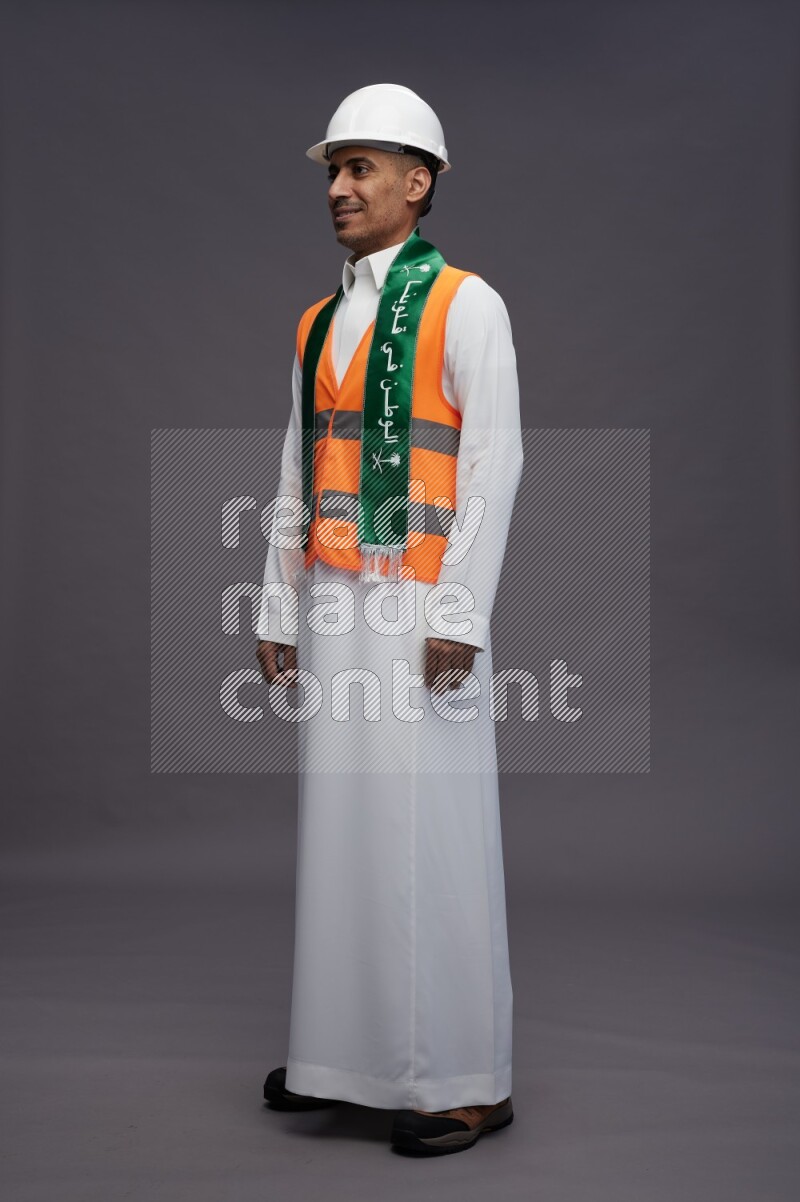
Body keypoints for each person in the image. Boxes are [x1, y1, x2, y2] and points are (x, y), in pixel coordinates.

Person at [256, 82, 523, 1156]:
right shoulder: (318, 317)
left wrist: (458, 608)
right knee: (348, 829)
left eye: (361, 167)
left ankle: (463, 1076)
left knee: (433, 833)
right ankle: (344, 1054)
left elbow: (496, 461)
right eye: (333, 169)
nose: (339, 186)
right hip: (337, 592)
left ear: (419, 183)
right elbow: (292, 461)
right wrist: (277, 598)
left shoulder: (465, 301)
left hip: (421, 600)